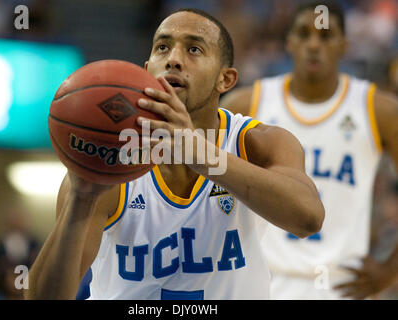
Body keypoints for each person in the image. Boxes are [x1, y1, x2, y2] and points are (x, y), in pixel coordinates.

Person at [26, 8, 324, 300]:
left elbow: (307, 219)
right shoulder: (110, 162)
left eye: (194, 49)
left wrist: (200, 153)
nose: (173, 60)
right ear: (146, 69)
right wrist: (81, 199)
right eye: (162, 48)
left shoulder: (257, 143)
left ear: (226, 79)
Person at [221, 1, 398, 299]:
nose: (314, 45)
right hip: (262, 278)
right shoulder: (247, 104)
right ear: (289, 42)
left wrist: (390, 268)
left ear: (345, 45)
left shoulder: (378, 109)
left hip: (342, 283)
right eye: (304, 34)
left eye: (326, 35)